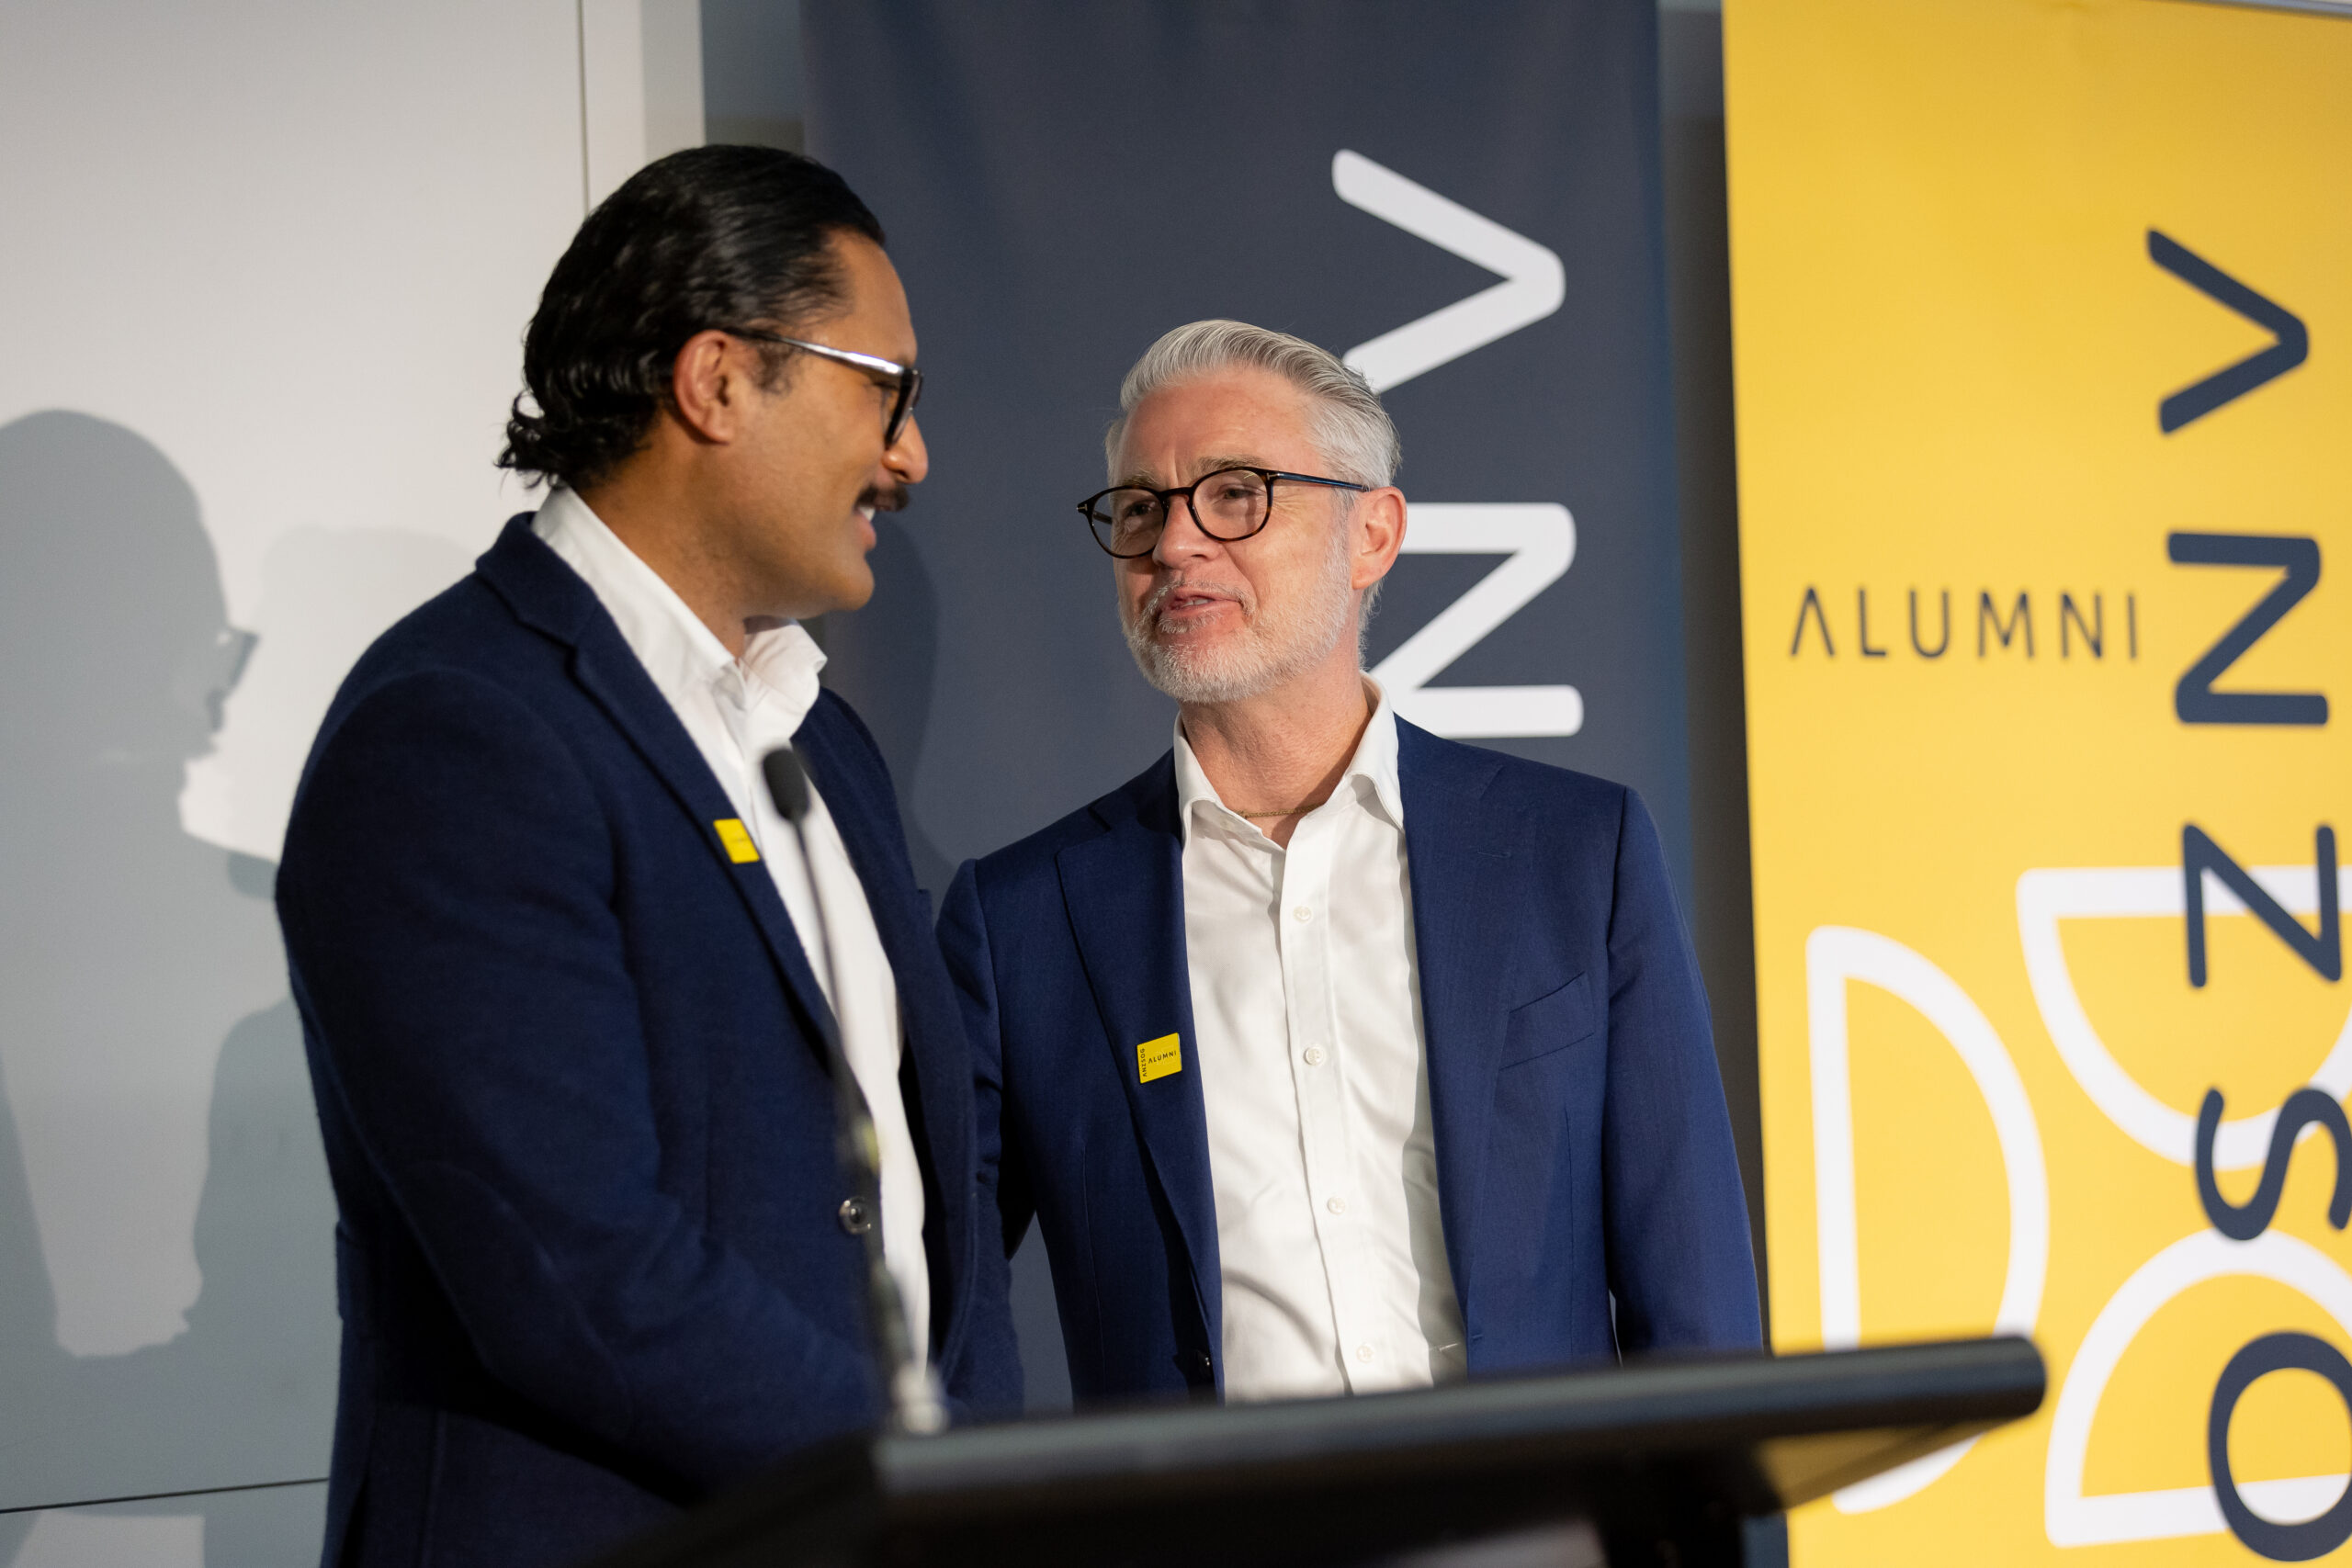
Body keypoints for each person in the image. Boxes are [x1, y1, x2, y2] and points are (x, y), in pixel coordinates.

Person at [277, 146, 1018, 1568]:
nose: (912, 453)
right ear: (719, 379)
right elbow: (574, 1266)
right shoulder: (458, 730)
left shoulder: (824, 736)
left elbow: (928, 1185)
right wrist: (938, 1486)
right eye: (887, 389)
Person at [940, 320, 1758, 1408]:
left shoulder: (1575, 854)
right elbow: (931, 1327)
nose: (1174, 545)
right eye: (1140, 508)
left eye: (1235, 494)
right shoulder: (1021, 924)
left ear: (1372, 533)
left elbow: (1696, 1318)